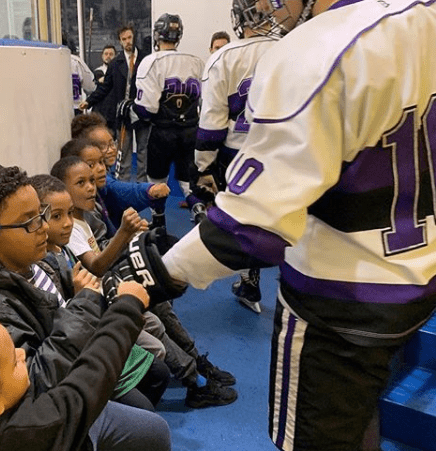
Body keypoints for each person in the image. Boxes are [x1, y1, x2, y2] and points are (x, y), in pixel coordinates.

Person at [117, 0, 436, 449]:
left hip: (337, 297)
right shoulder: (423, 19)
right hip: (415, 273)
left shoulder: (319, 45)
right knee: (364, 409)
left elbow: (249, 226)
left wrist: (157, 274)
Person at [0, 164, 170, 449]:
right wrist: (86, 303)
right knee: (149, 424)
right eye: (29, 222)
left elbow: (70, 291)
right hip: (60, 396)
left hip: (78, 358)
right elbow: (34, 385)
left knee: (155, 393)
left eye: (41, 215)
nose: (43, 228)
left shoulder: (32, 260)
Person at [35, 171, 238, 409]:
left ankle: (194, 364)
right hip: (96, 319)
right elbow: (97, 269)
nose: (93, 182)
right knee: (156, 340)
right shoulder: (58, 250)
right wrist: (125, 234)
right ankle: (194, 378)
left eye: (94, 173)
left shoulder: (84, 221)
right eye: (81, 181)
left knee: (157, 309)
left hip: (100, 305)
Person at [0, 304, 172, 450]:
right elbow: (93, 375)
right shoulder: (31, 430)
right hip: (64, 425)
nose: (22, 354)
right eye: (13, 362)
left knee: (149, 429)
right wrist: (127, 306)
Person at [194, 0, 305, 314]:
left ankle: (249, 282)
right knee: (287, 222)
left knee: (244, 222)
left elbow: (211, 124)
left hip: (239, 154)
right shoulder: (296, 47)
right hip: (289, 152)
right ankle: (293, 288)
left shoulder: (225, 57)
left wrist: (204, 168)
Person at [132, 13, 205, 220]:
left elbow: (147, 110)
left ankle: (158, 220)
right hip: (191, 130)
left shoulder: (151, 62)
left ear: (157, 34)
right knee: (188, 182)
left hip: (162, 131)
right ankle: (199, 213)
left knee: (156, 181)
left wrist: (132, 108)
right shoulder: (196, 62)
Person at [79, 24, 150, 182]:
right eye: (123, 39)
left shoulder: (146, 59)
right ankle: (123, 184)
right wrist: (89, 101)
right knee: (122, 151)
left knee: (143, 151)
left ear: (134, 37)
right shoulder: (115, 63)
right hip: (123, 113)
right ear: (120, 41)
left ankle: (143, 185)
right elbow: (105, 87)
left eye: (129, 38)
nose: (127, 42)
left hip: (142, 113)